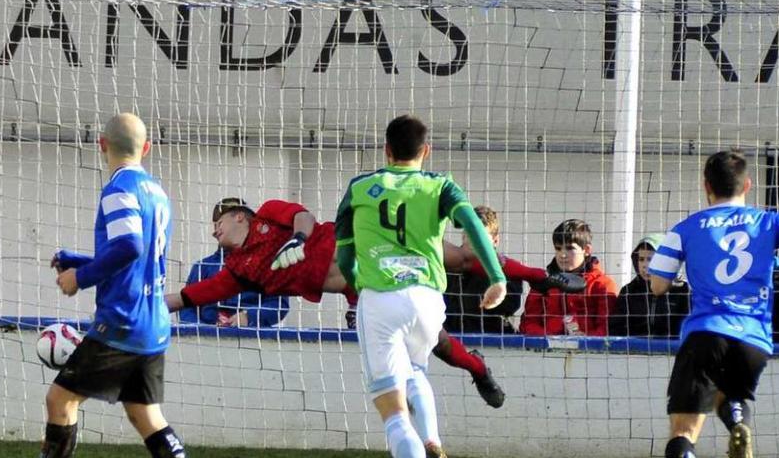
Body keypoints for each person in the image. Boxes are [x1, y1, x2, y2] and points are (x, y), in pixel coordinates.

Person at [164, 198, 583, 410]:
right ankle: (479, 369)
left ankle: (544, 277)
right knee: (433, 341)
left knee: (463, 257)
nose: (213, 229)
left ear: (240, 217)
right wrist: (143, 304)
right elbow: (188, 296)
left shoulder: (269, 214)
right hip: (366, 287)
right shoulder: (240, 270)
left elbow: (304, 218)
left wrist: (297, 239)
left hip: (368, 245)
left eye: (218, 221)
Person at [335, 114, 507, 458]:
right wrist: (497, 277)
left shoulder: (358, 188)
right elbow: (473, 223)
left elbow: (344, 258)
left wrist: (359, 286)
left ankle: (421, 445)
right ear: (425, 151)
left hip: (380, 299)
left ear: (386, 150)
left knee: (395, 416)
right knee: (414, 370)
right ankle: (433, 442)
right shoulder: (440, 185)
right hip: (428, 301)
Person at [648, 150, 779, 458]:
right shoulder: (768, 221)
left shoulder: (685, 228)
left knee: (683, 432)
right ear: (747, 185)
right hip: (754, 340)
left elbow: (657, 286)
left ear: (706, 185)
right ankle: (737, 422)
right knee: (729, 396)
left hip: (706, 332)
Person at [44, 113, 186, 458]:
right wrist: (80, 261)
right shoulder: (157, 193)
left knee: (60, 399)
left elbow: (129, 247)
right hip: (153, 323)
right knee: (144, 415)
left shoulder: (119, 188)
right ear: (147, 148)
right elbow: (139, 257)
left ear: (102, 145)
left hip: (122, 321)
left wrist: (80, 277)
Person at [179, 198, 289, 327]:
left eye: (221, 223)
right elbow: (185, 307)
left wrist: (249, 316)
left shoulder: (267, 263)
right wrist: (202, 330)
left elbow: (279, 305)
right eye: (216, 224)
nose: (217, 230)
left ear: (240, 218)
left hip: (254, 336)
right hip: (206, 339)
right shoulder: (203, 267)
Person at [519, 219, 618, 336]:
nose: (563, 255)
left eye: (570, 248)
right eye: (558, 248)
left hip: (590, 352)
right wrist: (552, 339)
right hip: (546, 350)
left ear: (586, 250)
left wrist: (583, 341)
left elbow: (606, 328)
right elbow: (528, 324)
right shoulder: (543, 282)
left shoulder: (603, 284)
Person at [443, 205, 525, 334]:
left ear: (495, 240)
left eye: (479, 236)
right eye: (468, 234)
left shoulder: (507, 269)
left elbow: (508, 306)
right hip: (454, 338)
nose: (472, 241)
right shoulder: (449, 268)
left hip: (495, 339)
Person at [608, 234, 690, 337]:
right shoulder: (629, 291)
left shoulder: (682, 291)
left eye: (651, 259)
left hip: (671, 349)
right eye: (641, 259)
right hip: (633, 350)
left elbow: (688, 328)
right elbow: (615, 327)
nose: (645, 265)